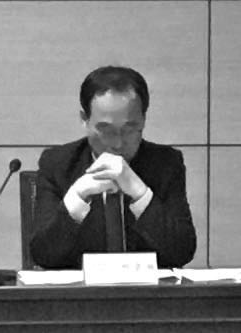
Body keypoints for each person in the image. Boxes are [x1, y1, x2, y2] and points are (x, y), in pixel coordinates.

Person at [24, 64, 197, 271]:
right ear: (84, 120)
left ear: (143, 119)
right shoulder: (58, 164)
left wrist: (141, 194)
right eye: (106, 130)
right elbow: (42, 255)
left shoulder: (166, 164)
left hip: (147, 290)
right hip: (80, 290)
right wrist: (76, 199)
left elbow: (182, 252)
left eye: (129, 129)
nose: (117, 143)